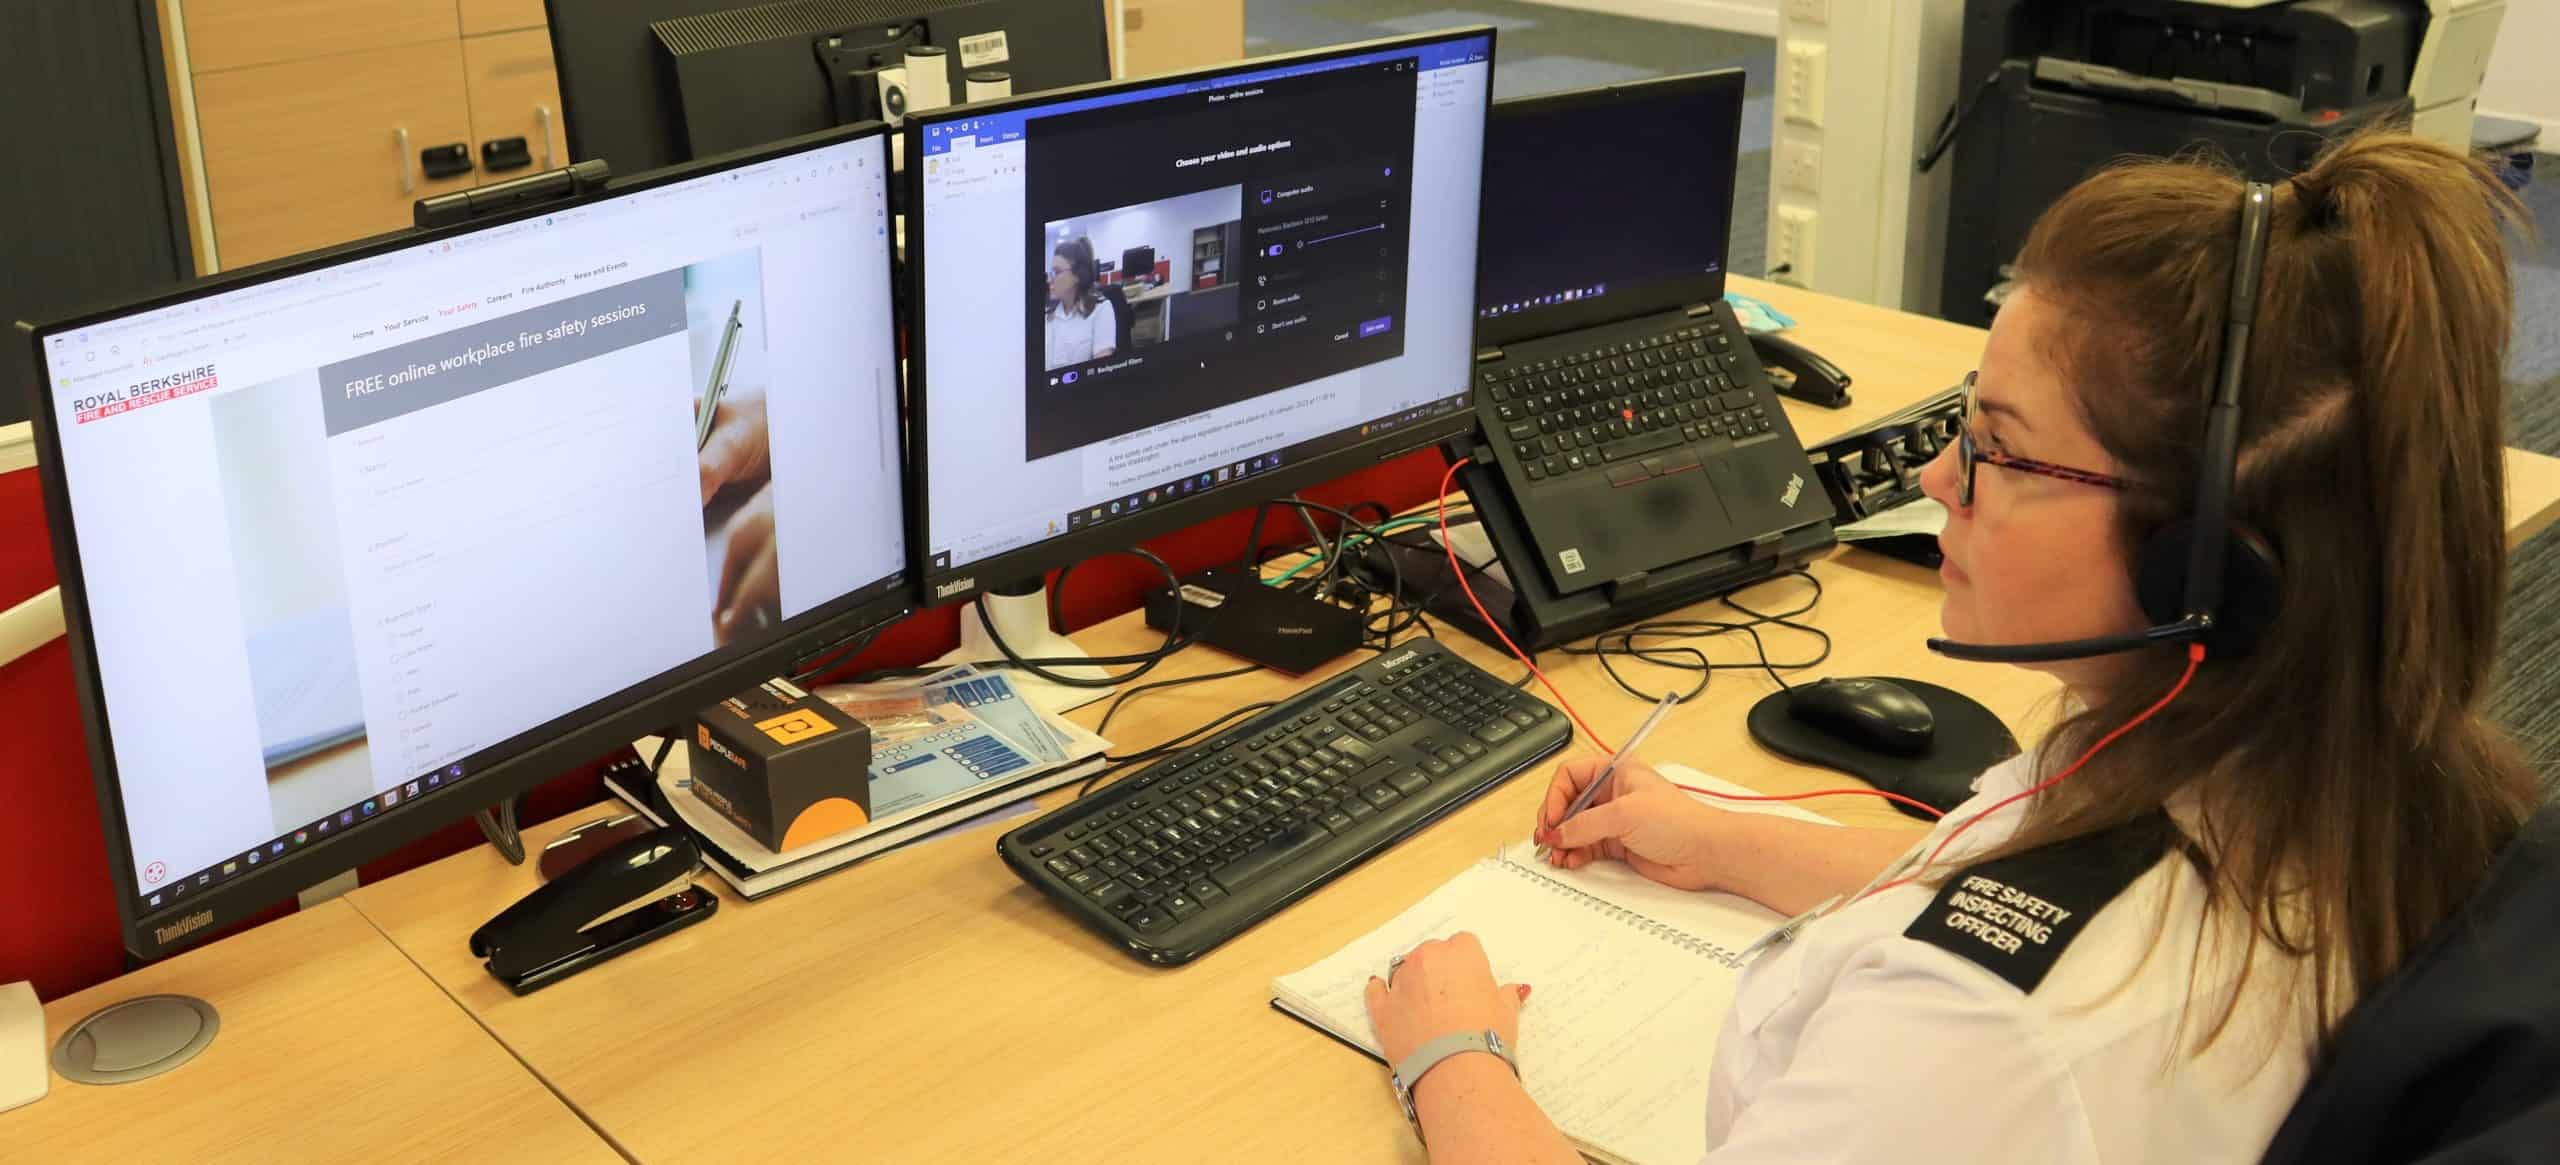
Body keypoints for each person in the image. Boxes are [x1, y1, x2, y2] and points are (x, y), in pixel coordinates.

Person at [1365, 130, 2541, 1162]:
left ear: (2199, 562)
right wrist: (1726, 839)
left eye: (1998, 449)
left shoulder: (1994, 1035)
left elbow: (2023, 973)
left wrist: (1454, 1055)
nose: (1936, 482)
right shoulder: (2363, 761)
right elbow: (2027, 881)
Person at [1044, 237, 1119, 371]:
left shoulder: (1100, 310)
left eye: (1056, 272)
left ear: (1077, 276)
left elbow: (1101, 370)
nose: (1050, 279)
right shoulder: (1048, 315)